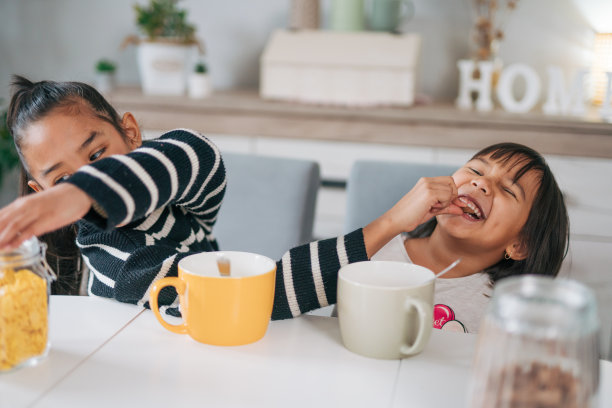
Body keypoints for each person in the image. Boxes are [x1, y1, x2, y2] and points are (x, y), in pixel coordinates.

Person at [1, 75, 463, 319]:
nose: (89, 180)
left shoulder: (180, 190)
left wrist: (81, 193)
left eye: (98, 152)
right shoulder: (113, 259)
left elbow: (195, 154)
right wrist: (389, 224)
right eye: (63, 180)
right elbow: (260, 297)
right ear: (41, 194)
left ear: (132, 132)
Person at [371, 142, 569, 333]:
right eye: (476, 171)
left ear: (520, 245)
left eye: (508, 190)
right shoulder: (374, 247)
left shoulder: (504, 314)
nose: (481, 182)